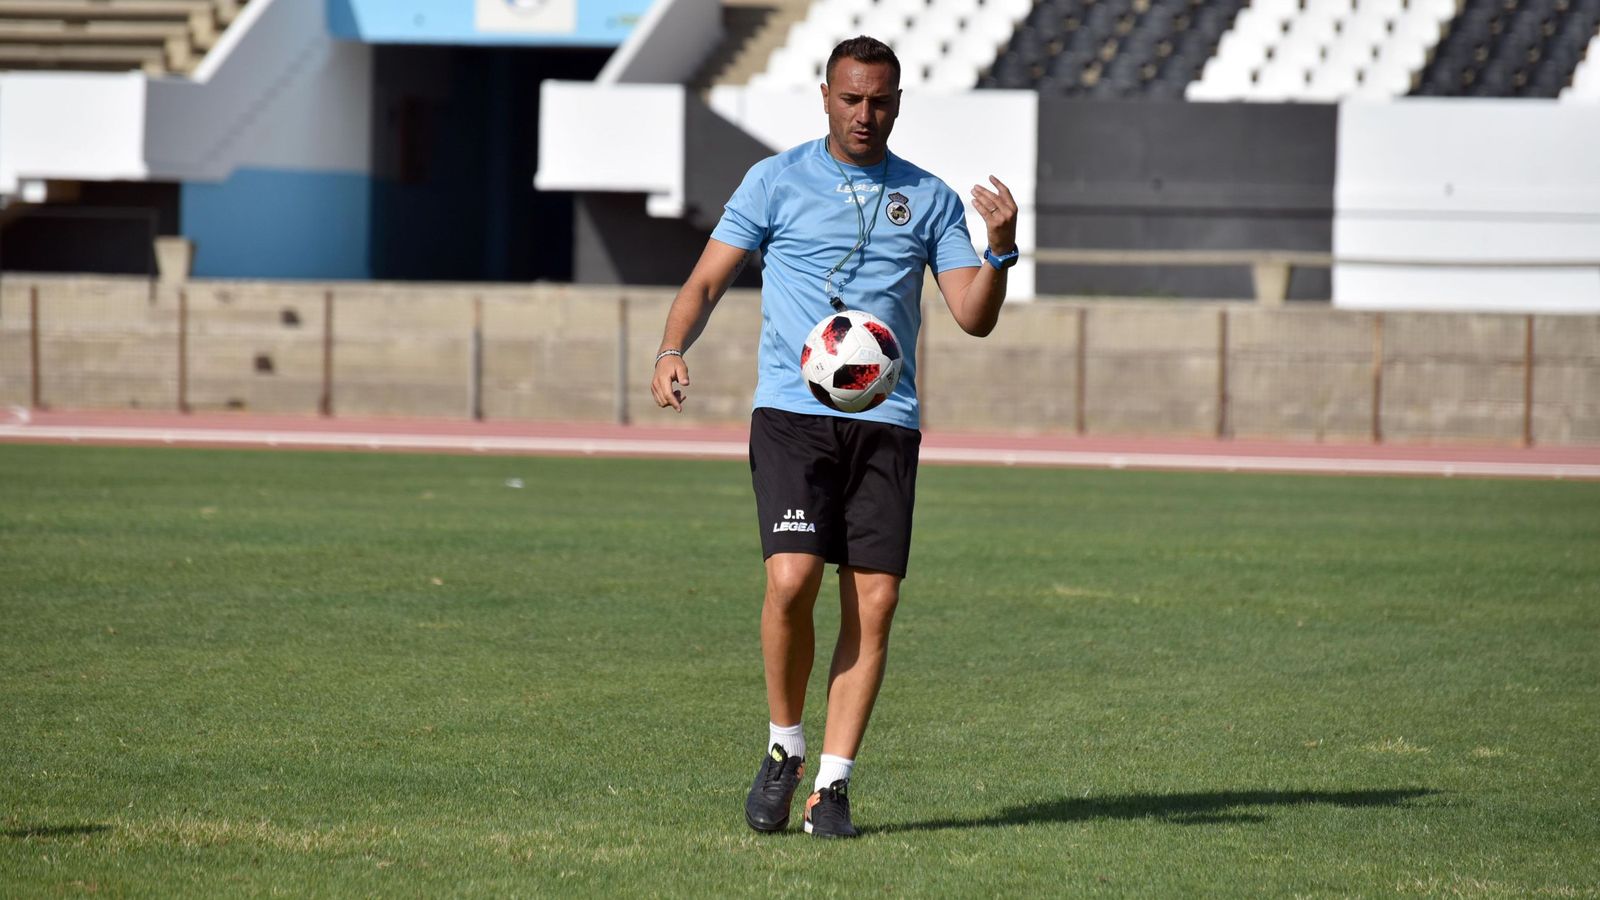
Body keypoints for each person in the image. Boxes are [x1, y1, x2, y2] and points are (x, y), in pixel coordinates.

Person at [649, 35, 1018, 838]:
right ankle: (783, 748)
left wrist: (1000, 251)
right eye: (851, 99)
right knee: (791, 581)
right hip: (791, 413)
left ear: (897, 103)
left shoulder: (926, 197)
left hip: (885, 424)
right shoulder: (774, 180)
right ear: (825, 96)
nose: (865, 113)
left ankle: (833, 787)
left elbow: (973, 316)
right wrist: (673, 349)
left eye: (880, 100)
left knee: (875, 601)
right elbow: (706, 280)